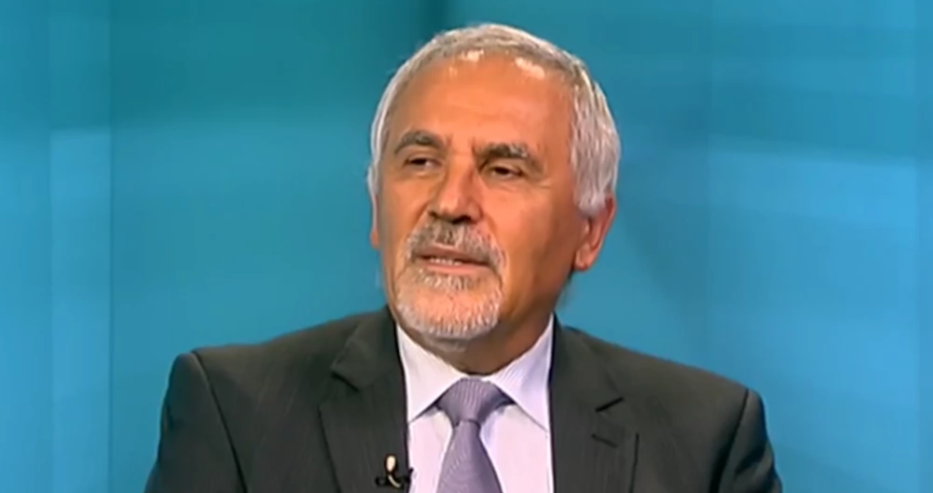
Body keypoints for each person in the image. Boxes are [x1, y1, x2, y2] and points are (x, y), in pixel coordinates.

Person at [144, 23, 782, 493]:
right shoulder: (237, 415)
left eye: (503, 169)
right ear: (376, 208)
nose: (449, 203)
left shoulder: (704, 441)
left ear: (590, 231)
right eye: (420, 162)